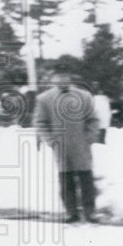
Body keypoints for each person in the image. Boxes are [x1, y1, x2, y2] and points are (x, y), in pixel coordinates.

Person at [33, 63, 101, 223]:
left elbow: (93, 119)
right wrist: (50, 140)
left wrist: (89, 137)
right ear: (53, 79)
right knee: (66, 180)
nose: (62, 79)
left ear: (70, 78)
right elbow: (40, 122)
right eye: (58, 76)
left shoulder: (84, 96)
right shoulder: (44, 99)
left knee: (86, 179)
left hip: (81, 145)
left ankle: (90, 212)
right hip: (60, 146)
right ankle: (71, 212)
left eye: (65, 76)